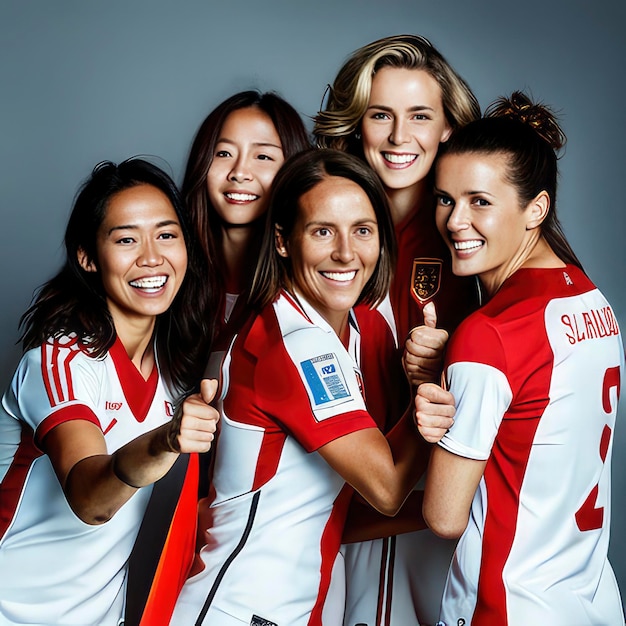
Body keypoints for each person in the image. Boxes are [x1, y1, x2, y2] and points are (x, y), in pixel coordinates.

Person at [169, 148, 431, 626]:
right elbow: (388, 487)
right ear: (284, 241)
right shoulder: (298, 340)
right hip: (242, 609)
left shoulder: (350, 329)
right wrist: (436, 390)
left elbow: (341, 508)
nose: (346, 253)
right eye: (322, 231)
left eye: (363, 230)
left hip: (281, 609)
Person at [416, 92, 624, 625]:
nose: (455, 221)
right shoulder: (592, 300)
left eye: (480, 201)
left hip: (506, 608)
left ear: (537, 208)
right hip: (590, 603)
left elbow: (443, 516)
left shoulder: (489, 333)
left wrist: (439, 401)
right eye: (444, 199)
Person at [0, 159, 220, 625]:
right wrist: (165, 440)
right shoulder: (58, 361)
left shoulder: (177, 371)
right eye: (125, 240)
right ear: (88, 257)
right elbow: (90, 500)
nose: (151, 257)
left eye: (167, 234)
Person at [313, 33, 480, 626]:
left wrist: (451, 359)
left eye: (419, 116)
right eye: (380, 115)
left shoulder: (477, 236)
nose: (398, 137)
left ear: (447, 130)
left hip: (434, 511)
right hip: (329, 500)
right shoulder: (321, 221)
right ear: (356, 125)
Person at [182, 89, 311, 345]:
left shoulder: (307, 294)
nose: (239, 173)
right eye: (223, 153)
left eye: (263, 156)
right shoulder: (170, 278)